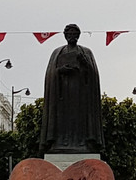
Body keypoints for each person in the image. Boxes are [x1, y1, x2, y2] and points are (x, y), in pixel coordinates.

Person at [40, 24, 104, 154]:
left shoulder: (86, 52)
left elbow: (93, 75)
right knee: (62, 119)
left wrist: (84, 62)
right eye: (69, 34)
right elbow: (50, 74)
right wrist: (60, 70)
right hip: (61, 95)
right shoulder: (57, 53)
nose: (72, 36)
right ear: (65, 35)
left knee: (80, 119)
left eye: (74, 34)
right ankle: (60, 142)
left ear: (78, 36)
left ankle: (83, 143)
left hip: (81, 94)